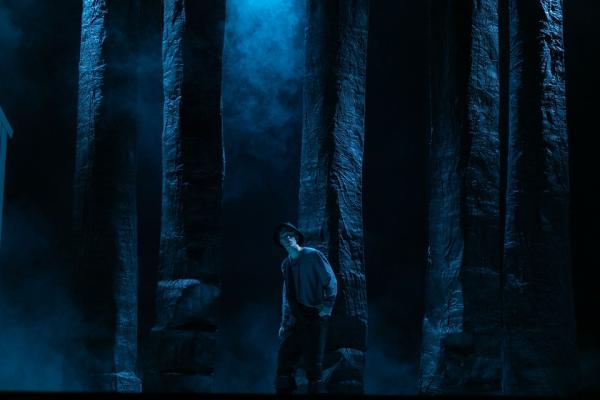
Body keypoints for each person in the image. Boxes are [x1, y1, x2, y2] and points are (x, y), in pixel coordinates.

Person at [272, 222, 337, 394]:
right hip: (295, 317)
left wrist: (327, 306)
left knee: (314, 364)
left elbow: (330, 280)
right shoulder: (286, 265)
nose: (286, 237)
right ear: (280, 242)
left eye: (289, 234)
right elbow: (287, 294)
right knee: (284, 361)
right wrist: (284, 322)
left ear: (296, 236)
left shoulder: (313, 255)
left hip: (315, 315)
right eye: (282, 236)